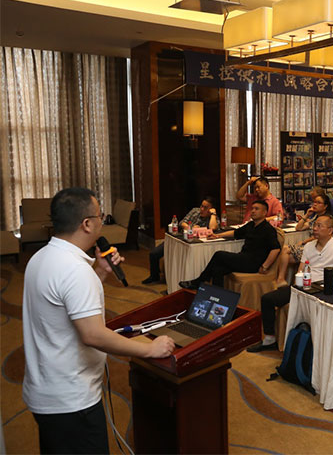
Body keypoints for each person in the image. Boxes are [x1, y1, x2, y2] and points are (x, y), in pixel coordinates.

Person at [23, 188, 175, 454]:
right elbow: (93, 334)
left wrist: (100, 273)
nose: (102, 222)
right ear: (87, 224)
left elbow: (68, 306)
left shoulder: (42, 257)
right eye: (100, 216)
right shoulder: (75, 270)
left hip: (45, 391)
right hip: (71, 401)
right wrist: (150, 349)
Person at [251, 214, 333, 351]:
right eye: (314, 225)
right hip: (305, 287)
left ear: (330, 230)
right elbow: (301, 269)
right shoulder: (309, 246)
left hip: (323, 288)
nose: (314, 228)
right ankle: (270, 339)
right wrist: (298, 284)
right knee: (267, 299)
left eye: (319, 226)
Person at [179, 200, 281, 289]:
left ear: (264, 212)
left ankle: (198, 282)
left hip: (254, 263)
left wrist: (264, 266)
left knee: (219, 255)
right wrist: (217, 235)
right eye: (252, 208)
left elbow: (276, 249)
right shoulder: (251, 225)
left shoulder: (268, 229)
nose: (253, 211)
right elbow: (235, 233)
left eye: (256, 209)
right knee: (217, 270)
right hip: (244, 258)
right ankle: (218, 298)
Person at [142, 196, 218, 284]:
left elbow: (213, 228)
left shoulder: (213, 218)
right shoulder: (195, 211)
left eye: (205, 207)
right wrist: (191, 228)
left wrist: (213, 214)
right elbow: (182, 222)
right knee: (154, 254)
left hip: (192, 246)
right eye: (201, 206)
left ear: (211, 209)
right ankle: (154, 276)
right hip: (179, 239)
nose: (202, 209)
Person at [275, 193, 333, 286]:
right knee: (284, 252)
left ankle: (283, 280)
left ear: (325, 206)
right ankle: (285, 281)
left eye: (319, 203)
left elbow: (318, 237)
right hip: (309, 245)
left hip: (316, 247)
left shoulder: (328, 220)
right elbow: (299, 228)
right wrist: (306, 215)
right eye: (314, 202)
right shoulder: (315, 217)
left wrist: (303, 242)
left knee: (285, 252)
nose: (315, 204)